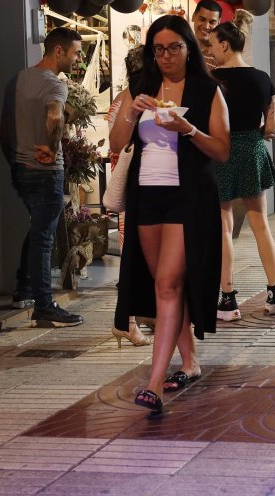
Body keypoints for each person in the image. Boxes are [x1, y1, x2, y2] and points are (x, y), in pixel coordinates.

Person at [109, 15, 230, 413]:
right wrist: (131, 111)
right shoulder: (140, 87)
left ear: (188, 48)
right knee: (166, 288)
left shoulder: (207, 89)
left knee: (167, 283)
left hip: (188, 197)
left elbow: (222, 150)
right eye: (158, 49)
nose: (165, 56)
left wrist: (187, 128)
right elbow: (117, 141)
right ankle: (190, 362)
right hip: (147, 198)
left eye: (173, 48)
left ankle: (155, 382)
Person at [0, 27, 85, 327]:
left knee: (38, 229)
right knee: (44, 237)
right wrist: (51, 146)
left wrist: (16, 161)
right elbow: (55, 116)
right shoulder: (55, 86)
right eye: (75, 53)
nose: (78, 59)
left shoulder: (17, 81)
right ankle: (45, 305)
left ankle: (24, 288)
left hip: (21, 170)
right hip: (46, 172)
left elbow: (3, 130)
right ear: (58, 51)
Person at [205, 12, 275, 321]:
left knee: (224, 225)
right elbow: (271, 127)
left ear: (225, 45)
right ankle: (274, 294)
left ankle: (228, 299)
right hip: (252, 148)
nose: (210, 51)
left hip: (221, 151)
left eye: (212, 45)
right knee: (260, 223)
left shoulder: (212, 81)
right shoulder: (263, 78)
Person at [106, 45, 151, 347]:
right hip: (136, 185)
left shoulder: (123, 97)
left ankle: (138, 316)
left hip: (138, 185)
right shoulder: (131, 99)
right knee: (133, 254)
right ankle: (126, 321)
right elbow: (118, 142)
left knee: (136, 254)